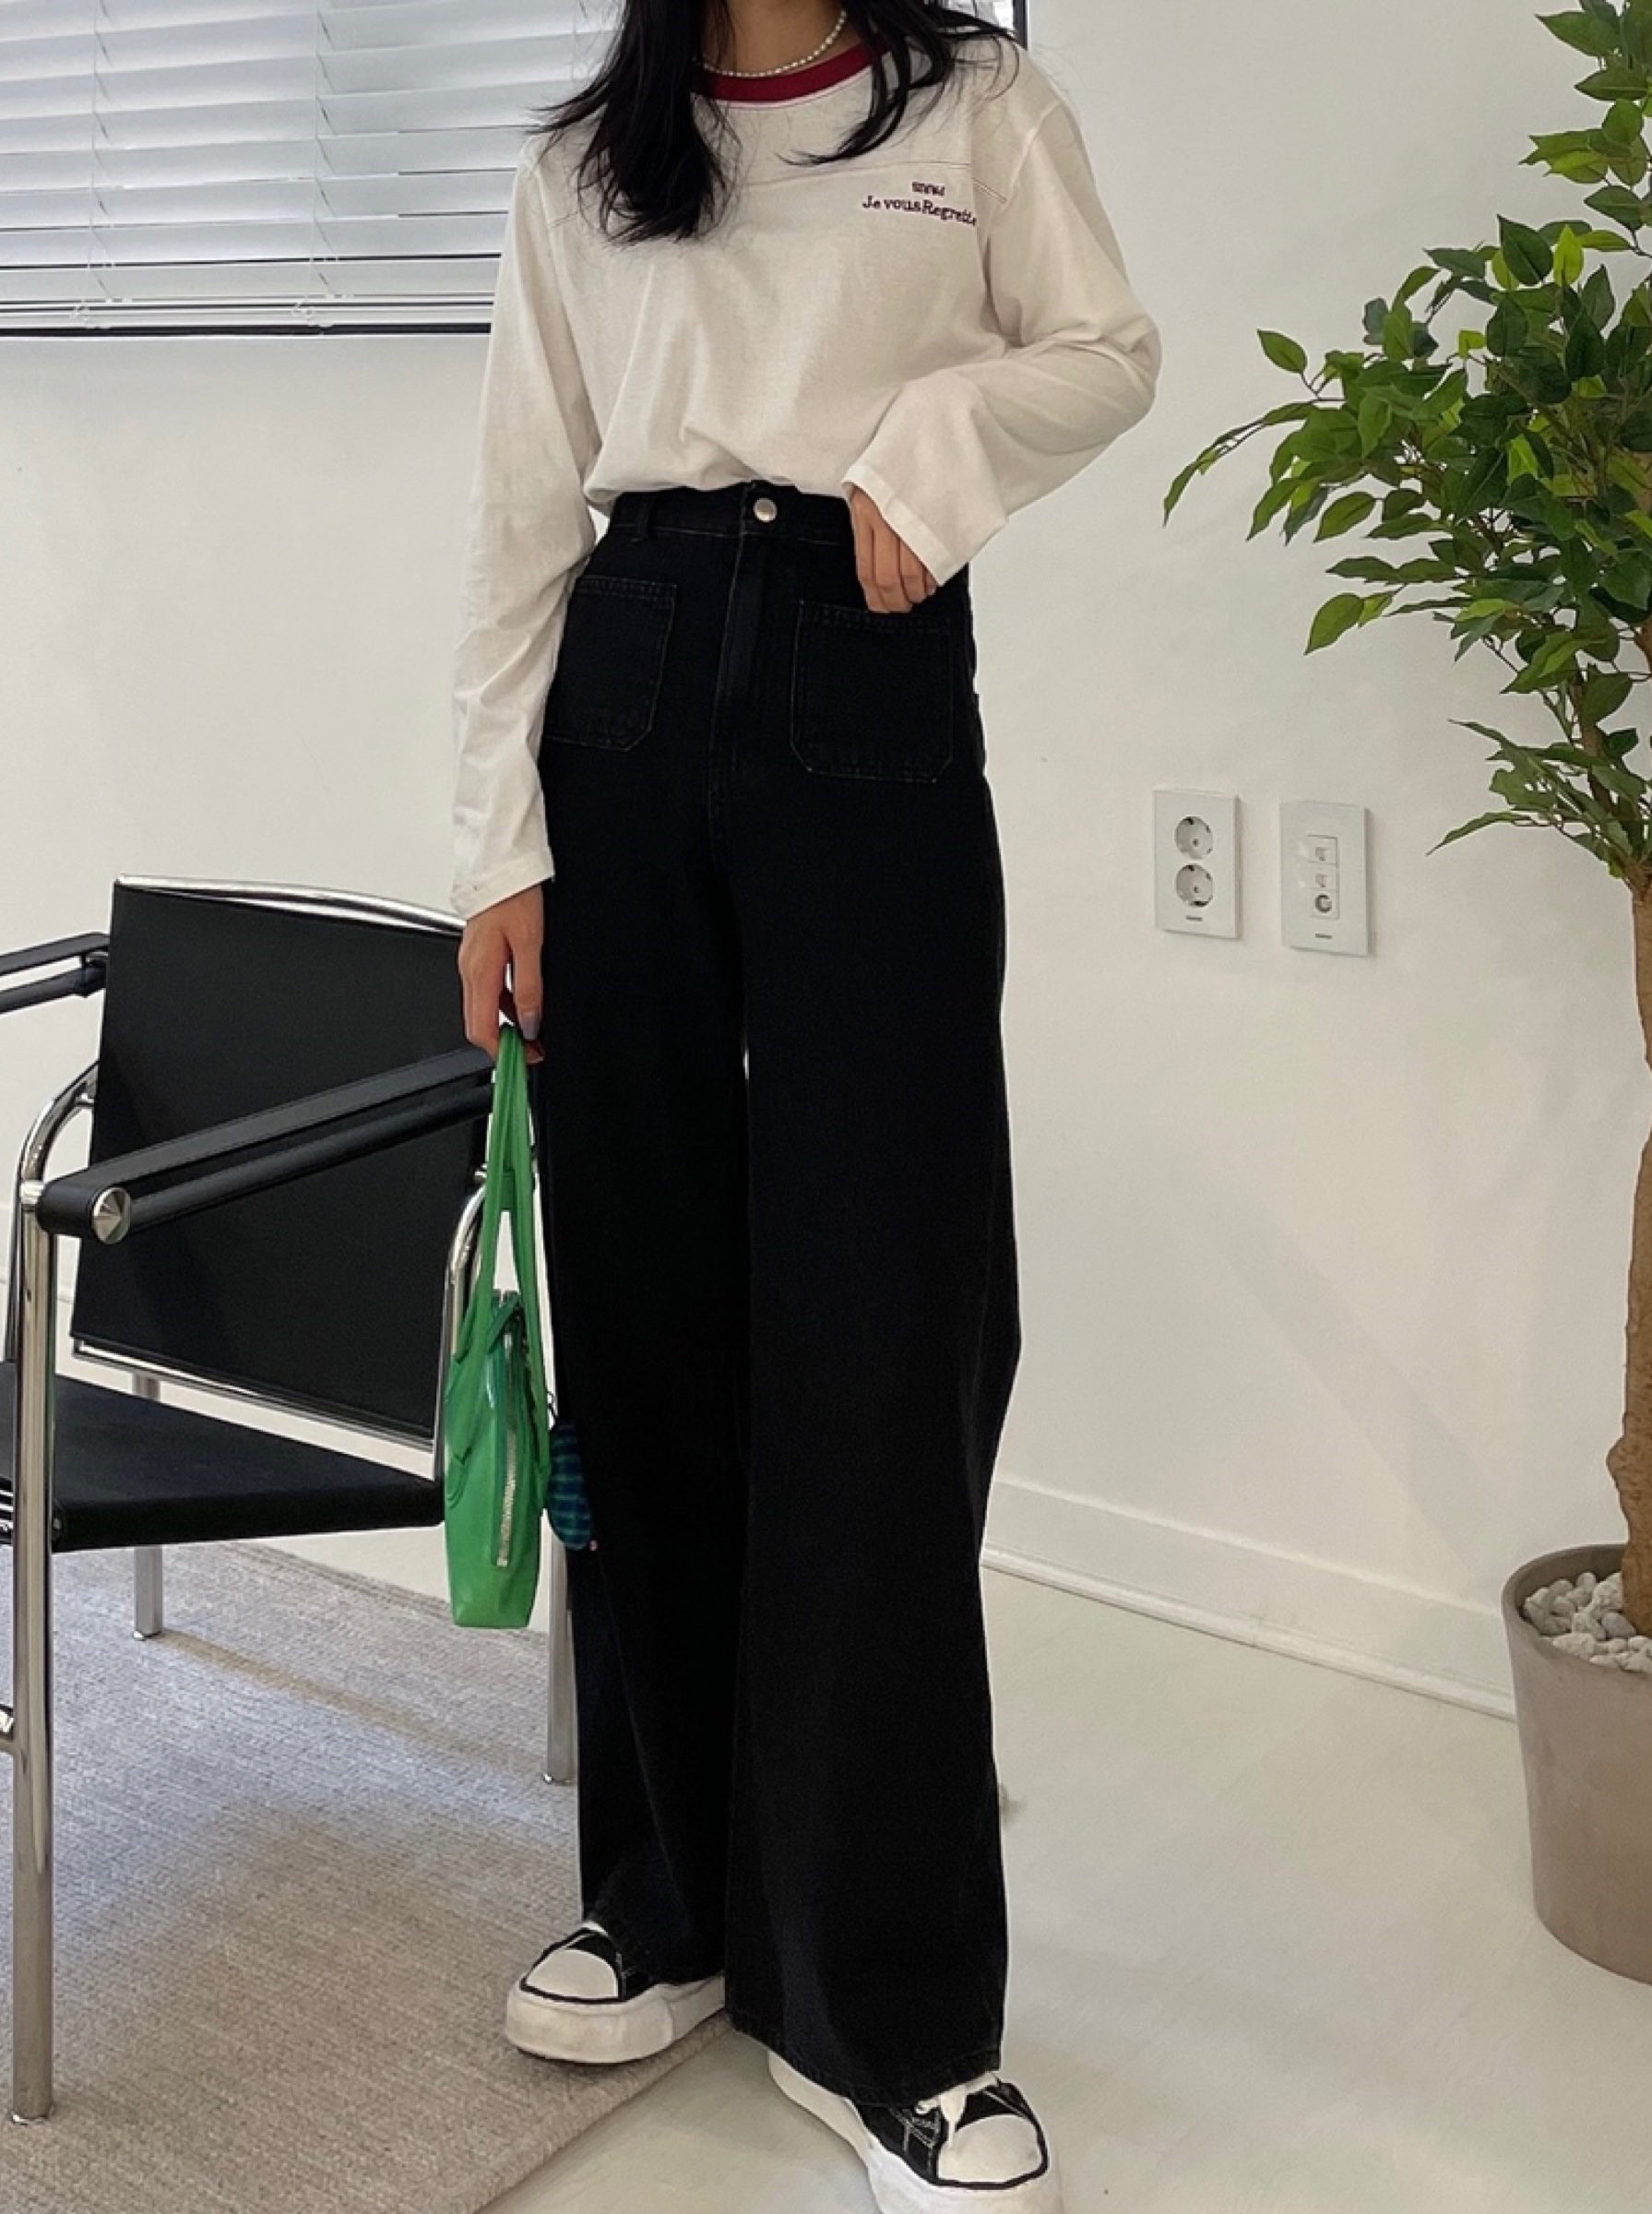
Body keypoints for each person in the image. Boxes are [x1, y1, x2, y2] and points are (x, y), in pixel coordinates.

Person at [451, 5, 1159, 2207]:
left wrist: (931, 455)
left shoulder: (978, 107)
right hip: (627, 690)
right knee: (648, 1316)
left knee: (888, 1320)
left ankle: (893, 2008)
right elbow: (518, 507)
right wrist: (495, 851)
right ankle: (666, 1899)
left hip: (869, 681)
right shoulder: (586, 162)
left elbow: (1108, 350)